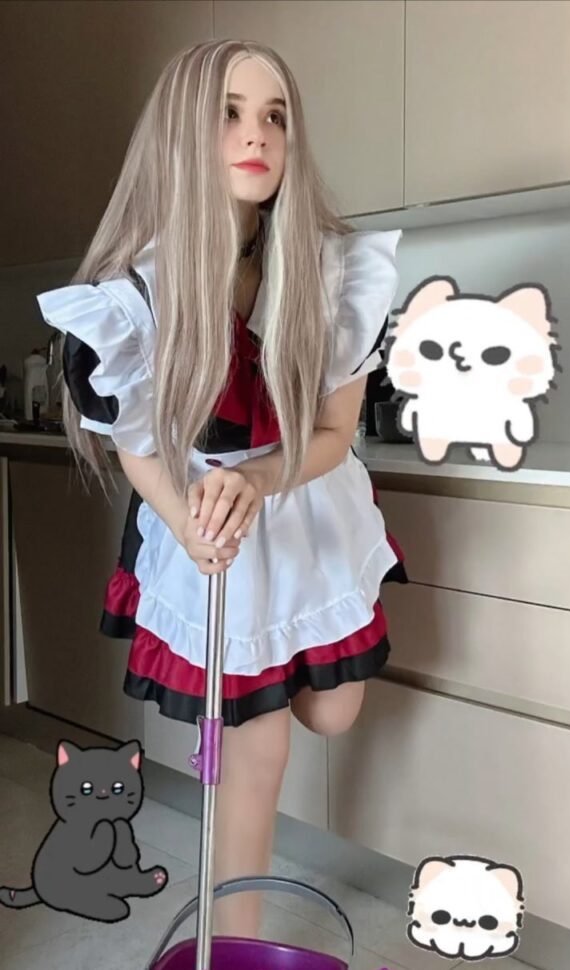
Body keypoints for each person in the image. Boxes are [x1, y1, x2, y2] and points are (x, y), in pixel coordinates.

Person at [36, 39, 407, 938]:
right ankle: (233, 945)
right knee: (258, 745)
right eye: (229, 114)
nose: (257, 134)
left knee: (334, 708)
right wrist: (187, 525)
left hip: (301, 496)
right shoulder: (139, 291)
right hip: (206, 515)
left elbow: (332, 433)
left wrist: (260, 477)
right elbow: (136, 448)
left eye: (274, 116)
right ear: (181, 134)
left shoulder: (331, 269)